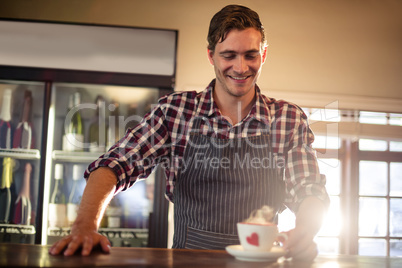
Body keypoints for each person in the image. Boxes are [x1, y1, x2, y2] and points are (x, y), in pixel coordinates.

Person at [49, 4, 329, 261]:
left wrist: (306, 229)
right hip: (187, 263)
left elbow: (309, 188)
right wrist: (84, 226)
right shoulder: (176, 111)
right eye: (228, 55)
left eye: (250, 55)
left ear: (263, 54)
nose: (241, 67)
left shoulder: (287, 119)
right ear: (211, 55)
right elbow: (116, 164)